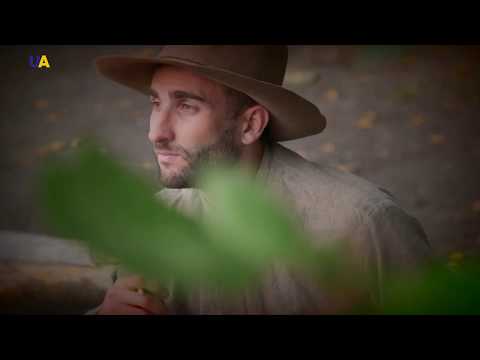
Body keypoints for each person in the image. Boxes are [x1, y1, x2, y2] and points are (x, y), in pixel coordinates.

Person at [88, 45, 431, 314]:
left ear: (250, 125)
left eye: (186, 106)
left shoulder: (360, 224)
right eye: (155, 102)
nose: (155, 133)